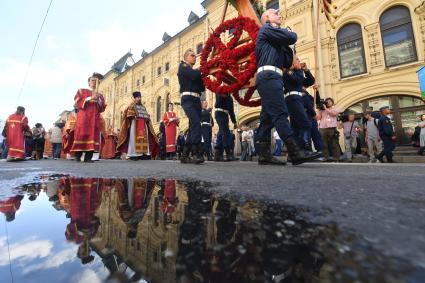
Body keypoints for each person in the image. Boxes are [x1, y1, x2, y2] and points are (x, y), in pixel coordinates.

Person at [255, 9, 321, 166]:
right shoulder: (266, 28)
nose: (279, 14)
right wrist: (284, 34)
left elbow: (286, 61)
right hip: (269, 76)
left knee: (267, 117)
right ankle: (295, 151)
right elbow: (292, 37)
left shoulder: (275, 39)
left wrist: (285, 43)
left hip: (272, 76)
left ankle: (263, 154)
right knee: (280, 113)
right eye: (275, 13)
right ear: (266, 18)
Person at [177, 49, 205, 164]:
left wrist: (200, 73)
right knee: (196, 122)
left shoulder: (193, 71)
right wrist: (201, 70)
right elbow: (194, 76)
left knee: (193, 125)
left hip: (196, 100)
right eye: (192, 55)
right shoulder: (183, 66)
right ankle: (196, 152)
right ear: (186, 58)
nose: (195, 57)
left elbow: (202, 87)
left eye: (195, 56)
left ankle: (184, 154)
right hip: (187, 99)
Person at [71, 73, 106, 162]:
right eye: (92, 80)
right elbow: (77, 101)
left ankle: (88, 157)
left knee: (92, 136)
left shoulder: (100, 95)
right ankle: (77, 156)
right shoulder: (82, 91)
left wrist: (98, 100)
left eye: (96, 81)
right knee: (81, 134)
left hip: (94, 118)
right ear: (89, 82)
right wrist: (90, 97)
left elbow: (101, 108)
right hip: (84, 117)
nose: (94, 82)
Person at [283, 58, 316, 151]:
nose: (299, 61)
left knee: (296, 126)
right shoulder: (288, 71)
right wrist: (299, 70)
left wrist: (306, 71)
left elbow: (310, 81)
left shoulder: (297, 73)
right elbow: (297, 80)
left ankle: (295, 151)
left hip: (297, 99)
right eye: (297, 59)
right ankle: (305, 148)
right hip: (293, 98)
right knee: (305, 124)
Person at [117, 91, 159, 160]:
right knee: (134, 139)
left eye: (140, 97)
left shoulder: (143, 106)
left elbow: (146, 115)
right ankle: (134, 154)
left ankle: (143, 153)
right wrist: (135, 116)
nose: (139, 99)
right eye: (137, 97)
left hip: (143, 124)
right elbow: (128, 115)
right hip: (135, 124)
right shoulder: (131, 106)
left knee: (143, 139)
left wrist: (147, 117)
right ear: (134, 98)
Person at [214, 93, 239, 162]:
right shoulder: (220, 92)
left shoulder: (230, 98)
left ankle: (218, 154)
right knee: (225, 133)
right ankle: (228, 154)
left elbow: (231, 112)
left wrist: (234, 122)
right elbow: (218, 99)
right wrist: (223, 92)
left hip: (225, 115)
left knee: (221, 132)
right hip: (219, 113)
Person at [303, 84, 324, 153]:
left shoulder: (307, 94)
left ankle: (320, 151)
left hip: (312, 117)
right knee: (307, 135)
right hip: (305, 117)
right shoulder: (300, 93)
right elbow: (307, 105)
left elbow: (317, 101)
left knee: (316, 134)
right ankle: (308, 151)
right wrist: (314, 114)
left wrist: (316, 91)